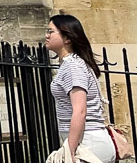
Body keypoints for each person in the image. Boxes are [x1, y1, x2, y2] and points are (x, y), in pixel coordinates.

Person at [45, 14, 116, 162]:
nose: (46, 35)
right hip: (85, 140)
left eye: (51, 31)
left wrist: (70, 150)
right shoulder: (72, 64)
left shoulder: (73, 66)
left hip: (87, 143)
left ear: (67, 38)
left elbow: (80, 110)